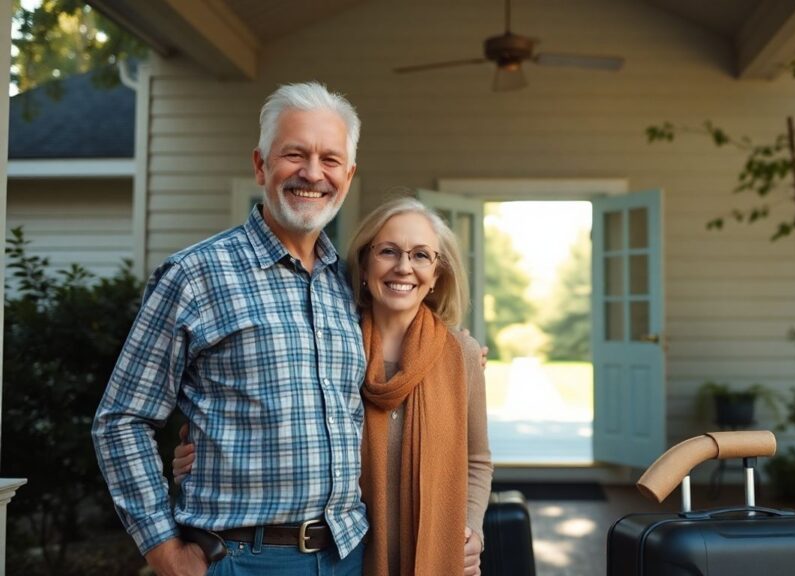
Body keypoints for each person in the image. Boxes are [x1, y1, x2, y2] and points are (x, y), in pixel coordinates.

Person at [93, 81, 368, 576]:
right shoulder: (195, 274)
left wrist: (463, 353)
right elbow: (121, 421)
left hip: (349, 555)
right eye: (294, 154)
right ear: (261, 165)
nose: (312, 173)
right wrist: (163, 550)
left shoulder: (350, 285)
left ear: (347, 176)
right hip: (240, 560)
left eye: (330, 160)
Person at [175, 197, 494, 576]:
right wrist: (195, 458)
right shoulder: (332, 344)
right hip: (348, 557)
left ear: (438, 274)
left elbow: (476, 459)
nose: (404, 267)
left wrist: (471, 527)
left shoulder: (462, 355)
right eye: (388, 251)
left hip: (430, 554)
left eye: (421, 255)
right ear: (364, 264)